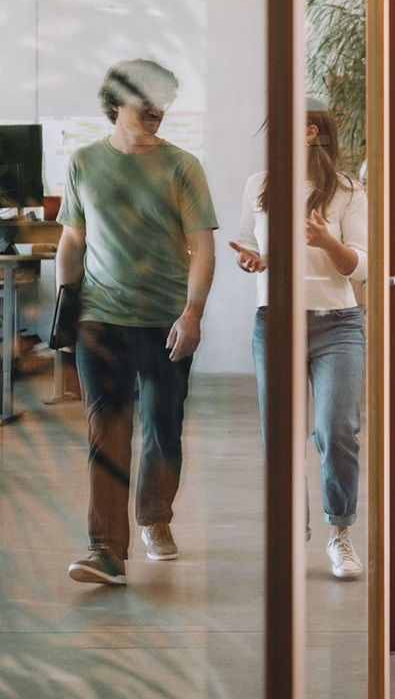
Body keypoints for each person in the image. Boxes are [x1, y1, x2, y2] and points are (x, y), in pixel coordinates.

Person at [61, 59, 218, 586]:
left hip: (166, 319)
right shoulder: (83, 162)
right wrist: (66, 312)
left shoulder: (182, 166)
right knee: (107, 430)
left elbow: (202, 248)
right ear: (116, 102)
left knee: (162, 424)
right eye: (146, 98)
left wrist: (192, 314)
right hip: (100, 317)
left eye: (163, 99)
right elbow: (73, 240)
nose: (157, 108)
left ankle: (154, 516)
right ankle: (105, 548)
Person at [229, 98, 367, 580]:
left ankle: (340, 534)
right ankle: (290, 537)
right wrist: (250, 259)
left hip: (338, 323)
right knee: (282, 437)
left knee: (336, 431)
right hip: (276, 322)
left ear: (310, 133)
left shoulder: (348, 191)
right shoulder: (261, 186)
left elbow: (361, 266)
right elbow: (250, 242)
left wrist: (326, 240)